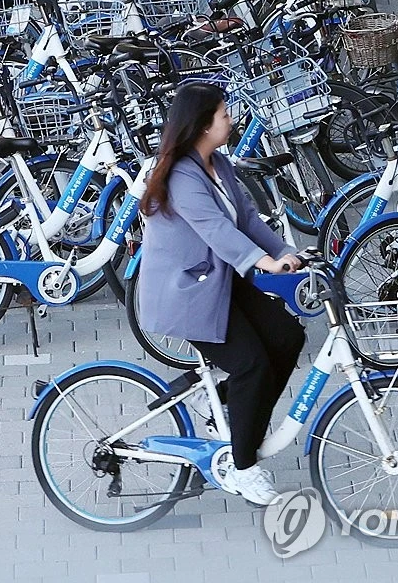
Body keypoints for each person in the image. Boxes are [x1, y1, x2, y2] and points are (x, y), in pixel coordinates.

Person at [138, 83, 305, 507]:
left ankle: (230, 407)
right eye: (224, 114)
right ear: (202, 125)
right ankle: (243, 467)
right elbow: (216, 230)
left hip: (220, 283)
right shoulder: (182, 176)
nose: (231, 120)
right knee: (252, 365)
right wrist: (263, 263)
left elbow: (247, 218)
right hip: (188, 293)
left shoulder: (221, 165)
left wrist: (284, 252)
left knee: (288, 337)